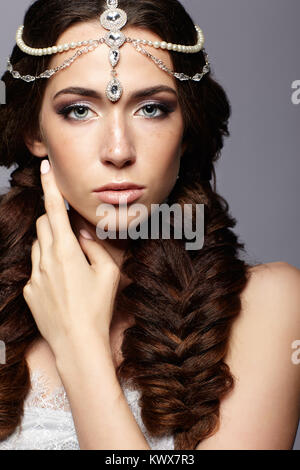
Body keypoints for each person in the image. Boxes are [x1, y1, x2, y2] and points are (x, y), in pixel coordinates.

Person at [0, 0, 299, 451]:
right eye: (79, 110)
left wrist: (80, 345)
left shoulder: (272, 305)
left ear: (188, 128)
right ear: (35, 132)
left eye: (152, 109)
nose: (118, 150)